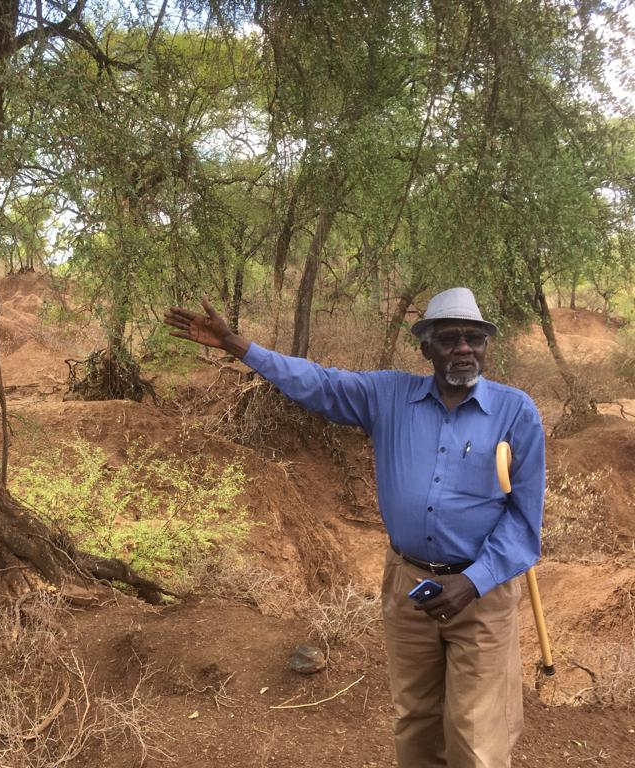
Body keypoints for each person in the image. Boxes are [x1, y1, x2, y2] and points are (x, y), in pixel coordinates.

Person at [164, 287, 545, 768]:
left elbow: (525, 522)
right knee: (415, 718)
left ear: (487, 345)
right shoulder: (387, 395)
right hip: (411, 586)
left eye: (474, 337)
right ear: (425, 346)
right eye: (450, 338)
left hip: (481, 593)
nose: (464, 348)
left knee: (475, 732)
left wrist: (472, 582)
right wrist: (240, 346)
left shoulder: (516, 412)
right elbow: (317, 384)